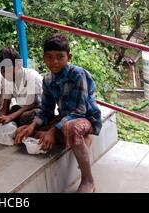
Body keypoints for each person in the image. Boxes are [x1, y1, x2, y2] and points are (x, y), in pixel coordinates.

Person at [14, 34, 102, 193]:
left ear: (69, 57)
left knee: (71, 128)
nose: (54, 61)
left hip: (85, 118)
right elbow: (46, 109)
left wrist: (53, 131)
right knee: (25, 129)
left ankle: (88, 180)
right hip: (64, 117)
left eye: (60, 57)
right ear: (44, 58)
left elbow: (79, 111)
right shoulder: (47, 79)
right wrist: (33, 126)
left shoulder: (77, 74)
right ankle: (75, 140)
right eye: (49, 57)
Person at [0, 48, 43, 129]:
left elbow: (29, 105)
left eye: (7, 70)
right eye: (2, 71)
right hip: (22, 108)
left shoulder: (32, 76)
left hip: (38, 108)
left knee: (24, 117)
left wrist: (10, 117)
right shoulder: (6, 80)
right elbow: (5, 107)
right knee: (11, 111)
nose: (4, 74)